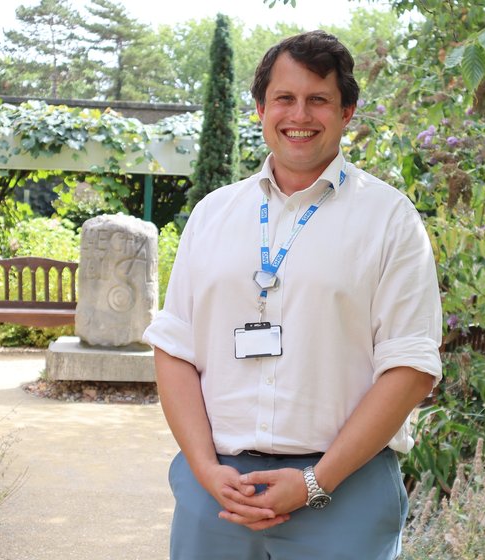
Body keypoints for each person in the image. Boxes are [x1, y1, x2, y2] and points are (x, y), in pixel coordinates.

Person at [142, 29, 442, 560]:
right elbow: (174, 349)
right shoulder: (213, 214)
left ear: (347, 111)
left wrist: (314, 481)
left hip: (343, 493)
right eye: (284, 98)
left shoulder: (390, 219)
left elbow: (411, 367)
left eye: (318, 99)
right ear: (261, 108)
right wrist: (206, 470)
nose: (298, 114)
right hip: (217, 494)